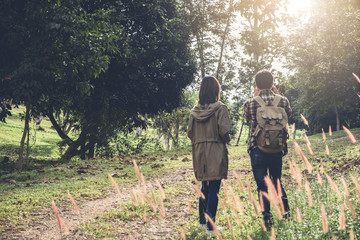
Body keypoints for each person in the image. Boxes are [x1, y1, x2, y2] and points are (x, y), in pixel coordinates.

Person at [243, 70, 291, 228]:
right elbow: (288, 115)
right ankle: (287, 213)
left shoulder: (251, 102)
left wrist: (255, 95)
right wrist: (277, 94)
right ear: (272, 84)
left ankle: (267, 216)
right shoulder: (283, 100)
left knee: (262, 185)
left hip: (258, 148)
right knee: (277, 181)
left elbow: (247, 118)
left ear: (256, 84)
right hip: (277, 148)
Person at [187, 76, 231, 234]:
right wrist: (227, 139)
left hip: (199, 151)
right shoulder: (220, 108)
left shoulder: (194, 111)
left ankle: (202, 223)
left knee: (204, 187)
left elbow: (190, 133)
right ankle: (211, 228)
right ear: (216, 90)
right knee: (214, 188)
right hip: (215, 150)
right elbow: (224, 131)